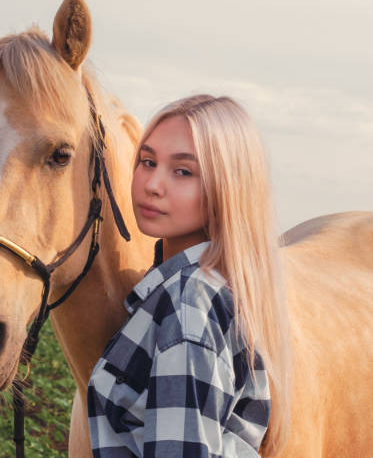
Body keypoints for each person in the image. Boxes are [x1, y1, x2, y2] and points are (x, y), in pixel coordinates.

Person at [87, 95, 292, 457]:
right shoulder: (204, 289)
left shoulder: (189, 304)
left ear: (227, 187)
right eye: (148, 162)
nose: (152, 184)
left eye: (183, 171)